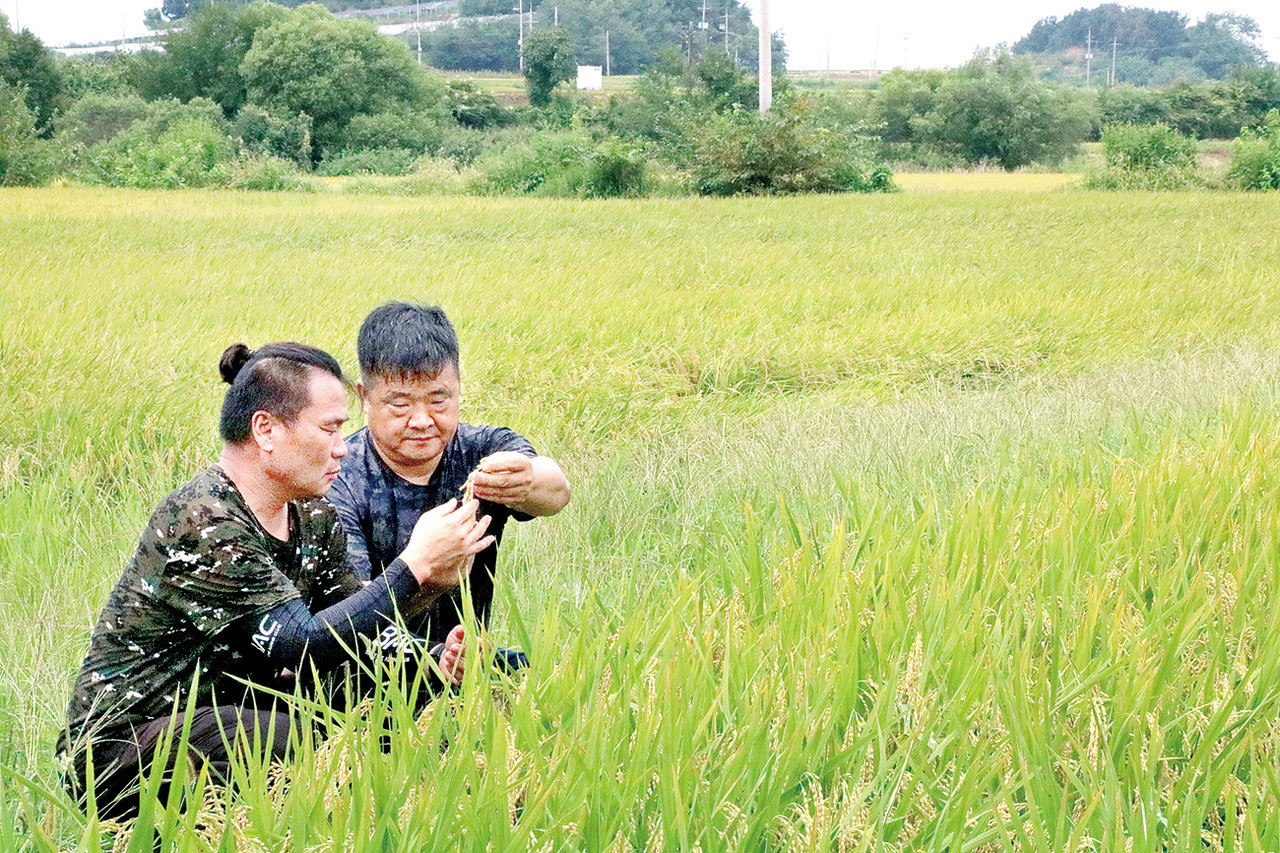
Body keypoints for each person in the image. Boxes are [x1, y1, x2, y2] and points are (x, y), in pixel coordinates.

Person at [56, 342, 491, 821]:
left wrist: (433, 661)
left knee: (398, 707)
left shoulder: (312, 513)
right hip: (126, 751)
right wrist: (413, 568)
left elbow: (352, 631)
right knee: (316, 742)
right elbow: (300, 645)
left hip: (233, 716)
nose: (342, 447)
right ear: (265, 430)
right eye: (329, 428)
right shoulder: (205, 521)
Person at [328, 302, 570, 650]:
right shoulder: (339, 478)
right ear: (365, 397)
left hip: (469, 661)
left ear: (458, 388)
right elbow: (347, 614)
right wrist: (424, 572)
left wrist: (525, 479)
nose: (422, 420)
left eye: (439, 400)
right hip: (369, 671)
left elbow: (557, 492)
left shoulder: (482, 450)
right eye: (400, 404)